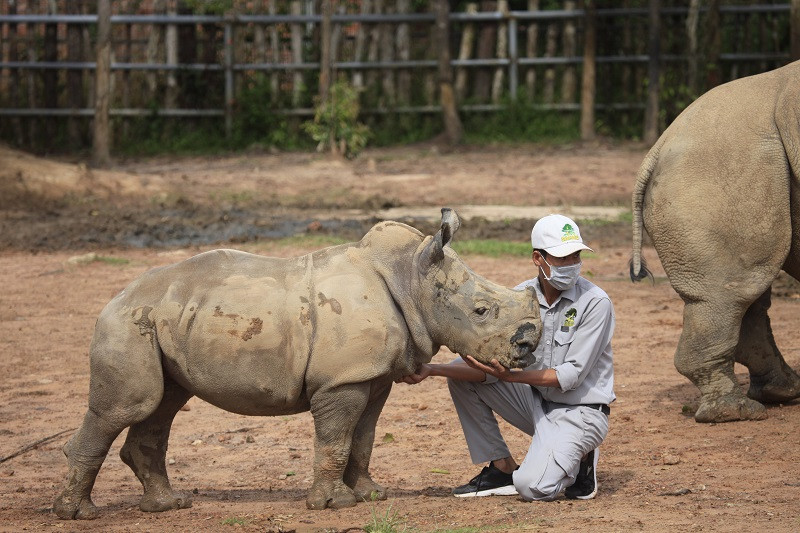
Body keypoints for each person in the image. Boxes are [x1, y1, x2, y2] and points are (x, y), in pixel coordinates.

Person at [398, 214, 615, 501]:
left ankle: (581, 454)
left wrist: (510, 377)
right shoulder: (519, 298)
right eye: (562, 258)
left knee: (531, 487)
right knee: (460, 373)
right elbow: (492, 366)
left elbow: (569, 377)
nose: (572, 265)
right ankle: (502, 468)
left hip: (580, 413)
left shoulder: (595, 303)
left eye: (576, 256)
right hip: (537, 406)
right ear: (539, 258)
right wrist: (432, 369)